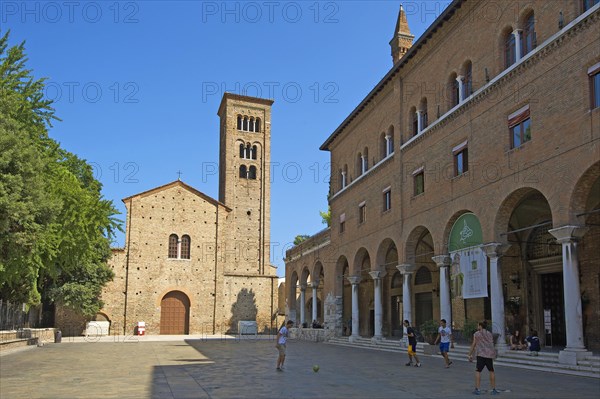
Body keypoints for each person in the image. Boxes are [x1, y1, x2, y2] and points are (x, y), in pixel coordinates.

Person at [468, 320, 499, 395]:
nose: (477, 327)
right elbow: (492, 344)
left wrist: (469, 354)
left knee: (478, 371)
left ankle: (477, 389)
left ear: (480, 326)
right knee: (491, 370)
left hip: (481, 354)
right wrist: (494, 354)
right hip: (489, 355)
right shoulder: (489, 333)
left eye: (478, 325)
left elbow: (474, 344)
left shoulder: (476, 334)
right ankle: (493, 389)